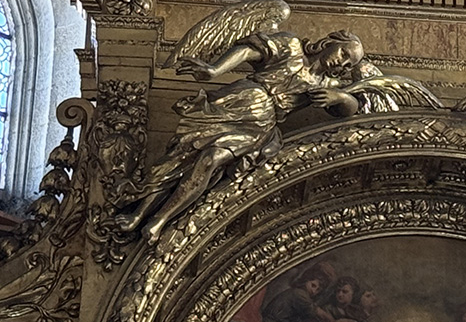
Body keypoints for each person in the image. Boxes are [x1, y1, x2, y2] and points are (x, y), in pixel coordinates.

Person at [115, 30, 367, 243]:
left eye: (349, 65)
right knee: (181, 154)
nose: (342, 64)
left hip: (261, 124)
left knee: (211, 161)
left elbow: (351, 108)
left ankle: (161, 219)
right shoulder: (291, 46)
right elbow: (248, 51)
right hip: (239, 101)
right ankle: (139, 213)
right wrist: (215, 69)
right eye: (344, 54)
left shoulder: (324, 85)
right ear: (330, 42)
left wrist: (341, 97)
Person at [261, 262, 336, 322]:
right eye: (313, 285)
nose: (314, 291)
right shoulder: (300, 294)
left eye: (318, 290)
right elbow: (320, 314)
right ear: (307, 279)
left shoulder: (297, 292)